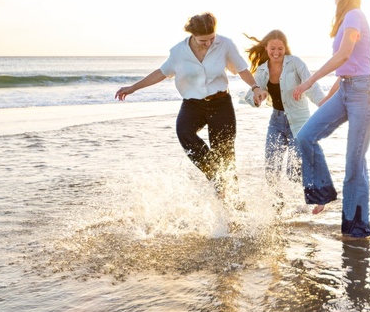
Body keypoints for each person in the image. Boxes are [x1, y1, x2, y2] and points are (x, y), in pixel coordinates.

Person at [115, 12, 268, 196]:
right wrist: (133, 88)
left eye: (211, 38)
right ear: (192, 35)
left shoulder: (225, 44)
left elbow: (242, 69)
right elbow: (161, 73)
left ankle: (235, 208)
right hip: (193, 104)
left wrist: (255, 87)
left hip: (221, 103)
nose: (209, 43)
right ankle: (214, 174)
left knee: (225, 155)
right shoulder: (179, 51)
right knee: (184, 132)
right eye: (203, 40)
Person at [292, 0, 370, 238]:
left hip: (364, 94)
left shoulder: (355, 14)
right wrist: (328, 98)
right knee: (306, 136)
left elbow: (344, 56)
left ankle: (356, 230)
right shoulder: (346, 18)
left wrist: (309, 81)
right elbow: (345, 72)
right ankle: (322, 192)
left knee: (354, 166)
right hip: (346, 90)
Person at [243, 30, 325, 188]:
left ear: (285, 48)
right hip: (276, 122)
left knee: (294, 172)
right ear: (266, 48)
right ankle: (278, 207)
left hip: (300, 123)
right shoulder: (262, 69)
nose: (276, 52)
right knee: (271, 169)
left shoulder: (295, 63)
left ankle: (313, 193)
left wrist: (324, 104)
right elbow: (250, 93)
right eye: (272, 48)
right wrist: (256, 96)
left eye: (280, 48)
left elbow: (311, 86)